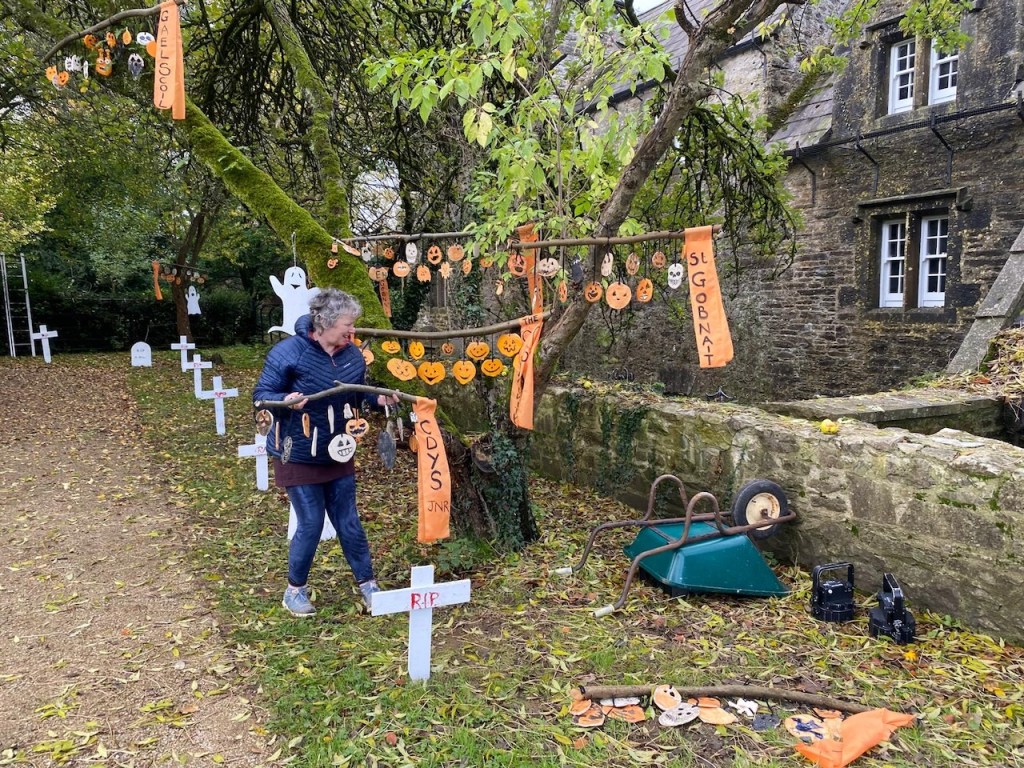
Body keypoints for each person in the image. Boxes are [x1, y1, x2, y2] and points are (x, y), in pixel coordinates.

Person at [254, 288, 398, 617]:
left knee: (348, 521)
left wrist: (379, 400)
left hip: (338, 450)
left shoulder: (352, 355)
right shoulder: (288, 352)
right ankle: (294, 591)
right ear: (323, 323)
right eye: (347, 326)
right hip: (298, 452)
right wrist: (286, 398)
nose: (353, 332)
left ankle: (369, 585)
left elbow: (357, 398)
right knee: (311, 522)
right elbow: (261, 395)